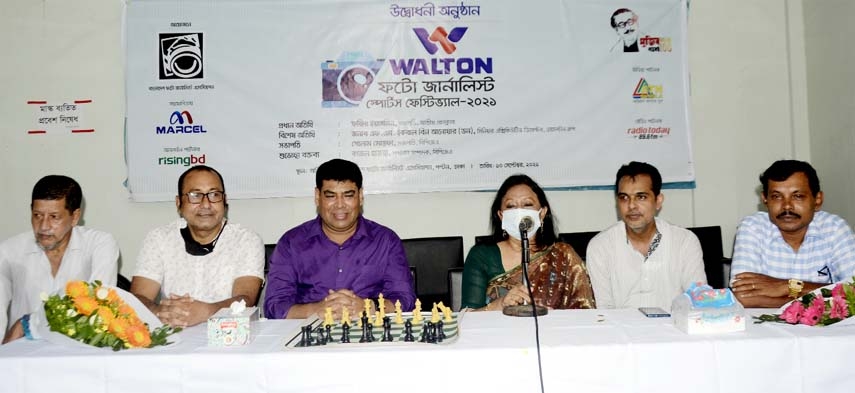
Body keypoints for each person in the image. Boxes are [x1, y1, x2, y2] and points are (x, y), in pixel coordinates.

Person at [264, 159, 415, 319]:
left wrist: (369, 307)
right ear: (317, 196)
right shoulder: (291, 243)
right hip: (309, 335)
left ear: (361, 196)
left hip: (370, 334)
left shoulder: (385, 240)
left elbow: (405, 300)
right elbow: (274, 306)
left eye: (348, 196)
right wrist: (317, 310)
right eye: (331, 196)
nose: (340, 205)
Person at [131, 165, 264, 327]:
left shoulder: (246, 239)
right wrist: (159, 311)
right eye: (195, 195)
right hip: (173, 333)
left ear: (225, 200)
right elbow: (137, 298)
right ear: (179, 203)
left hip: (228, 337)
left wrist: (207, 311)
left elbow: (245, 299)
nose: (206, 204)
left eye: (214, 194)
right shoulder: (159, 238)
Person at [1, 175, 119, 343]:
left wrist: (27, 324)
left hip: (79, 352)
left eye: (54, 217)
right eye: (37, 215)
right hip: (24, 356)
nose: (43, 226)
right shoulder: (9, 251)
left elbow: (98, 307)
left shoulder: (99, 244)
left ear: (75, 216)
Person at [461, 174, 595, 311]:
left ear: (542, 213)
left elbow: (585, 312)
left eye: (527, 204)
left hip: (553, 331)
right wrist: (499, 304)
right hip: (499, 332)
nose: (519, 211)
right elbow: (467, 318)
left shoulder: (563, 255)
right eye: (511, 206)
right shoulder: (481, 255)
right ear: (501, 215)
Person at [731, 160, 855, 307]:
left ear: (817, 199)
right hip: (766, 328)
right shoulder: (753, 228)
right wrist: (824, 297)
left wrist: (788, 286)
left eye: (798, 196)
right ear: (765, 199)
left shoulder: (834, 228)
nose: (787, 206)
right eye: (777, 196)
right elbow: (742, 296)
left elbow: (852, 291)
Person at [586, 161, 706, 311]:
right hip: (622, 331)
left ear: (658, 201)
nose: (631, 206)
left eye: (641, 197)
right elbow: (604, 310)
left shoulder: (684, 241)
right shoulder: (600, 246)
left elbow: (698, 300)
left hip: (674, 329)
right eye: (624, 198)